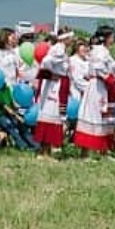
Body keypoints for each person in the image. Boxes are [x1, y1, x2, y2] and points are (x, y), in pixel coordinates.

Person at [73, 27, 115, 157]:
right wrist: (107, 77)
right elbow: (98, 68)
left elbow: (112, 67)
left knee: (104, 117)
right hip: (96, 86)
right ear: (106, 37)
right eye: (112, 36)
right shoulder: (98, 51)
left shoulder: (104, 51)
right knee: (92, 116)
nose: (113, 39)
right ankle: (85, 153)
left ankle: (104, 150)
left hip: (103, 87)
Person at [33, 29, 75, 159]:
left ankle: (46, 151)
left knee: (53, 117)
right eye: (71, 38)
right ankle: (45, 152)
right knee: (51, 116)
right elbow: (46, 61)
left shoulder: (60, 49)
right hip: (54, 87)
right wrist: (52, 74)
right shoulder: (59, 49)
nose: (72, 41)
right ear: (65, 39)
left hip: (56, 85)